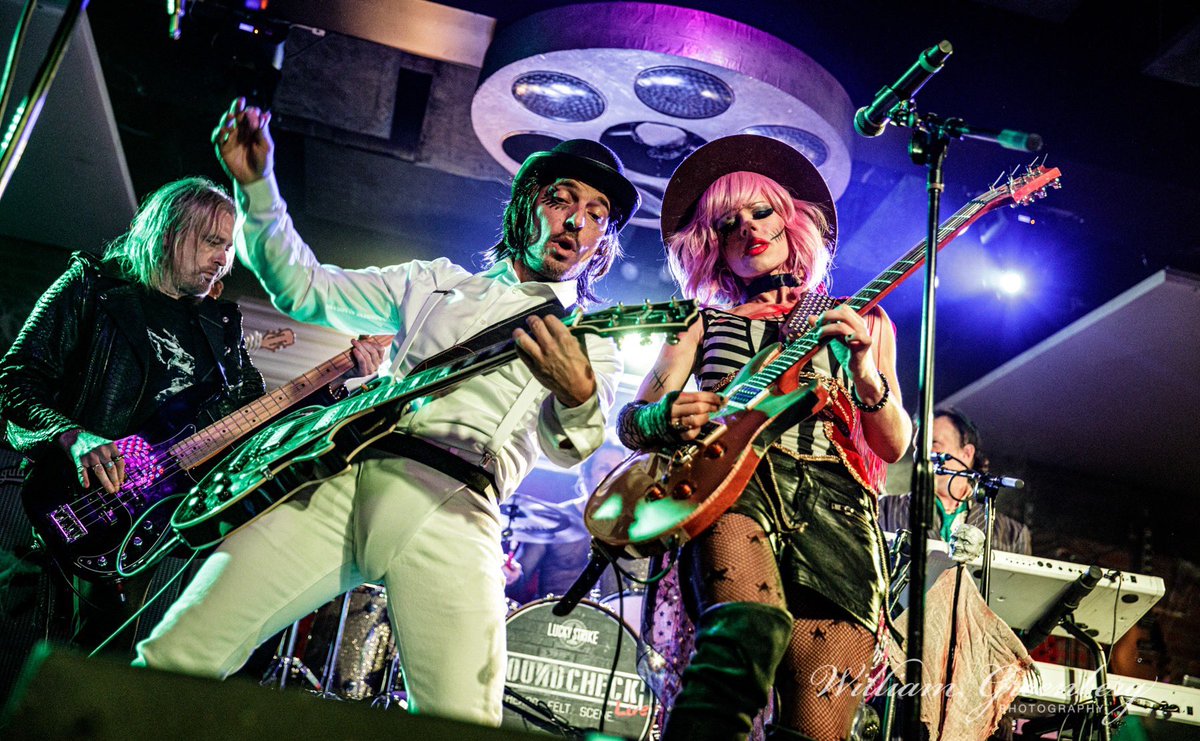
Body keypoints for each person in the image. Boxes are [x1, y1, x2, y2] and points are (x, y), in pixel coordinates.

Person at [133, 98, 639, 726]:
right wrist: (257, 187)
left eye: (597, 215)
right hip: (347, 482)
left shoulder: (595, 340)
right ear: (529, 202)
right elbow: (303, 287)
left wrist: (577, 393)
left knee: (463, 722)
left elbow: (569, 450)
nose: (577, 224)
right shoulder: (435, 281)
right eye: (564, 200)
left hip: (461, 508)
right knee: (178, 650)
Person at [0, 177, 381, 653]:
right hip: (77, 500)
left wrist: (336, 387)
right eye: (213, 242)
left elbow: (258, 424)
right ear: (169, 232)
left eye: (229, 246)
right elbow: (15, 378)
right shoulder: (95, 286)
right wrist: (74, 437)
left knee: (110, 665)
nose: (224, 258)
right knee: (33, 659)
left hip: (156, 521)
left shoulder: (221, 325)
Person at [616, 134, 911, 741]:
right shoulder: (699, 320)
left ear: (790, 222)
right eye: (728, 223)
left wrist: (862, 367)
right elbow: (631, 423)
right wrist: (667, 415)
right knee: (746, 627)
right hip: (735, 487)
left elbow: (894, 444)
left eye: (761, 211)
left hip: (838, 508)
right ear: (714, 246)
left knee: (818, 723)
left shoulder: (861, 318)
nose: (747, 227)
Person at [877, 407, 1032, 555]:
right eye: (918, 447)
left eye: (933, 443)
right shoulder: (884, 509)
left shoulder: (1014, 535)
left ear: (966, 453)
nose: (921, 454)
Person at [503, 439, 631, 604]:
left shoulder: (627, 528)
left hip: (606, 624)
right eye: (604, 468)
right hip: (552, 622)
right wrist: (512, 577)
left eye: (617, 471)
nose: (611, 477)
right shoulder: (554, 520)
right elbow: (520, 582)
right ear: (585, 474)